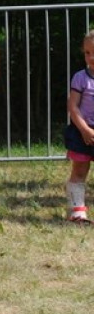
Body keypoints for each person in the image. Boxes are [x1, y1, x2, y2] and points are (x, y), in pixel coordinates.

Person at [64, 30, 94, 225]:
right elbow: (73, 106)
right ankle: (77, 210)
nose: (91, 57)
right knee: (80, 170)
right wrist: (84, 129)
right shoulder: (80, 78)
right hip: (82, 131)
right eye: (87, 53)